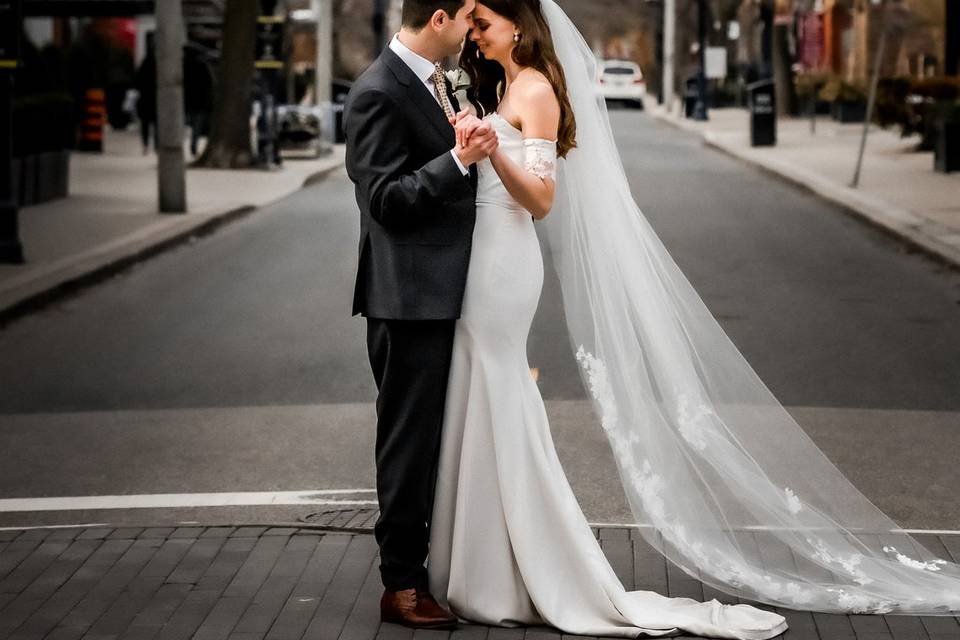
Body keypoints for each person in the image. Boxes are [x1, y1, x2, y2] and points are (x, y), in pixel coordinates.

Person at [426, 0, 960, 635]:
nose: (475, 33)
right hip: (480, 257)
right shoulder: (503, 82)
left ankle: (518, 565)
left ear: (518, 23)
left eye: (483, 21)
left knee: (500, 391)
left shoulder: (536, 88)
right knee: (483, 391)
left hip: (505, 263)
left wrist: (491, 154)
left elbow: (542, 199)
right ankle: (486, 558)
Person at [342, 0, 499, 630]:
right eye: (468, 20)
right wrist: (458, 161)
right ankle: (401, 585)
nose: (471, 34)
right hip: (408, 299)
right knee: (408, 443)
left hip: (451, 290)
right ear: (440, 17)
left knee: (441, 437)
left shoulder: (443, 79)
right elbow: (384, 200)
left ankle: (437, 567)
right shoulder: (378, 90)